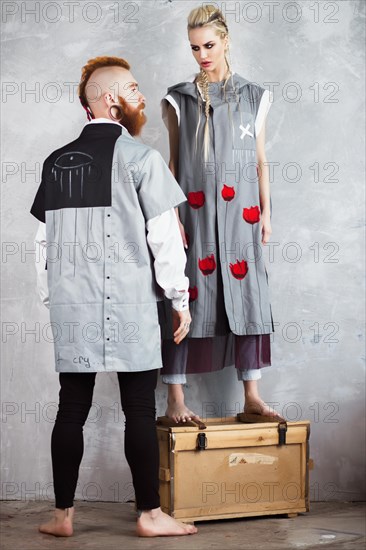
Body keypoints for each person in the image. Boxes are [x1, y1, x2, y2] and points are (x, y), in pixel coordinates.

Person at [30, 56, 197, 538]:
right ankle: (149, 515)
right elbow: (164, 238)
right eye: (134, 88)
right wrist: (179, 298)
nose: (141, 96)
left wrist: (52, 302)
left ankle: (63, 517)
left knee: (71, 408)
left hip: (72, 306)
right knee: (140, 408)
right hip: (133, 305)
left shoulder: (56, 162)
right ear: (110, 100)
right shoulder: (142, 159)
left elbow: (42, 245)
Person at [159, 5, 285, 424]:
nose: (202, 55)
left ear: (226, 41)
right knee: (185, 295)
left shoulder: (254, 96)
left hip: (242, 217)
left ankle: (252, 394)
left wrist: (267, 213)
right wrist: (170, 217)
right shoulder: (179, 99)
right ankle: (175, 397)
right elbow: (174, 164)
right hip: (192, 218)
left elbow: (260, 160)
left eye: (209, 45)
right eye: (194, 48)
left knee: (247, 294)